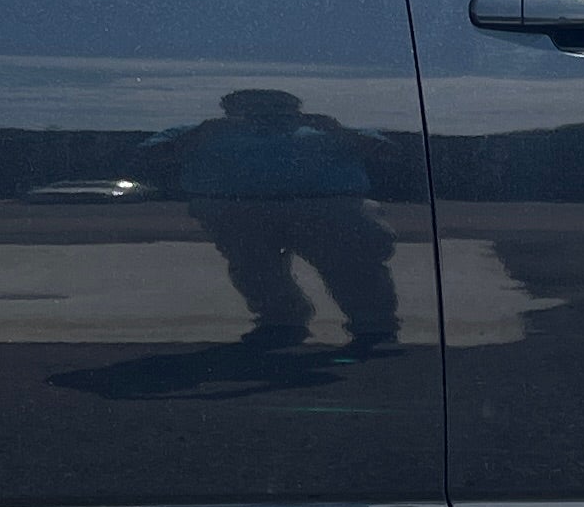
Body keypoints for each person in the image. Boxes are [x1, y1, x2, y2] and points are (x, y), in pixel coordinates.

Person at [135, 90, 403, 357]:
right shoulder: (201, 132)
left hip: (328, 207)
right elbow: (146, 156)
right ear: (228, 110)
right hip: (236, 211)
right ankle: (281, 322)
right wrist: (199, 135)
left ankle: (374, 327)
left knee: (352, 263)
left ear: (296, 110)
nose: (264, 116)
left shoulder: (327, 130)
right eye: (250, 109)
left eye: (276, 109)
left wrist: (337, 130)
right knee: (256, 269)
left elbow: (389, 153)